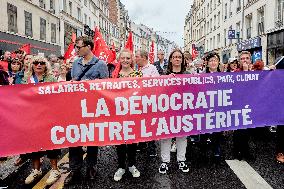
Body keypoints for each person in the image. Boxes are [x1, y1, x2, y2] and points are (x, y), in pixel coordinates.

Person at [64, 36, 109, 185]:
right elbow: (73, 81)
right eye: (76, 47)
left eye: (79, 47)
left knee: (91, 137)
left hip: (92, 107)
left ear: (89, 47)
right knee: (74, 136)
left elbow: (106, 87)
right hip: (76, 106)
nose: (76, 50)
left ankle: (91, 166)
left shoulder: (100, 64)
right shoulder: (76, 63)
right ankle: (74, 168)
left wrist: (94, 84)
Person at [21, 56, 61, 185]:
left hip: (48, 115)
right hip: (31, 116)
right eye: (36, 63)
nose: (39, 65)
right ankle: (36, 170)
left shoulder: (51, 78)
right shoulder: (25, 79)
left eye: (42, 63)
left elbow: (57, 95)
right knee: (34, 142)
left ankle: (55, 170)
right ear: (32, 65)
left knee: (51, 142)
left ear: (46, 65)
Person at [112, 49, 142, 181]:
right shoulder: (113, 75)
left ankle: (131, 165)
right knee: (119, 141)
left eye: (128, 58)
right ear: (119, 59)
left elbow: (144, 92)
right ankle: (121, 167)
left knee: (132, 141)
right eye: (123, 58)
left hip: (133, 112)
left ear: (132, 60)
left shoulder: (138, 74)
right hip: (117, 113)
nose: (125, 60)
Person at [159, 49, 189, 174]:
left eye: (179, 57)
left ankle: (181, 160)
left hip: (183, 109)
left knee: (182, 136)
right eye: (175, 57)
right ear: (171, 59)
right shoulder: (164, 74)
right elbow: (157, 91)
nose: (177, 59)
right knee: (166, 136)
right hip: (167, 109)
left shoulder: (188, 75)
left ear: (182, 60)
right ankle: (165, 161)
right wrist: (166, 80)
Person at [135, 49, 160, 157]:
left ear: (144, 58)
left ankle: (151, 148)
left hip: (149, 101)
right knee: (140, 123)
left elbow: (156, 84)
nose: (135, 59)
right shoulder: (136, 69)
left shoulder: (152, 69)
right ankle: (141, 143)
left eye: (137, 56)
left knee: (149, 124)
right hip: (138, 101)